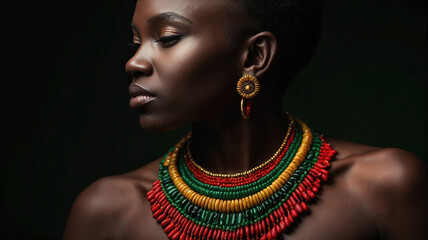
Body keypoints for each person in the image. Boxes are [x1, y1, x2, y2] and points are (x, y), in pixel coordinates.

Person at [63, 0, 428, 239]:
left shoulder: (383, 189)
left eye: (168, 37)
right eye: (135, 42)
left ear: (255, 56)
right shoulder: (107, 213)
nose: (134, 62)